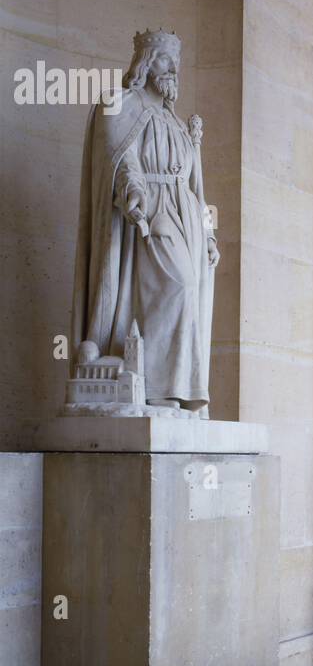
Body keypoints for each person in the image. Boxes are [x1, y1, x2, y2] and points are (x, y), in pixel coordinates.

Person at [71, 28, 217, 412]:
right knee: (179, 287)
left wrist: (208, 233)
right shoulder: (122, 105)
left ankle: (175, 391)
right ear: (148, 62)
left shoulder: (176, 123)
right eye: (168, 61)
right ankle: (155, 389)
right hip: (153, 213)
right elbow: (122, 158)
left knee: (189, 295)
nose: (175, 70)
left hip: (185, 218)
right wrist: (133, 192)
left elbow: (195, 185)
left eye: (178, 63)